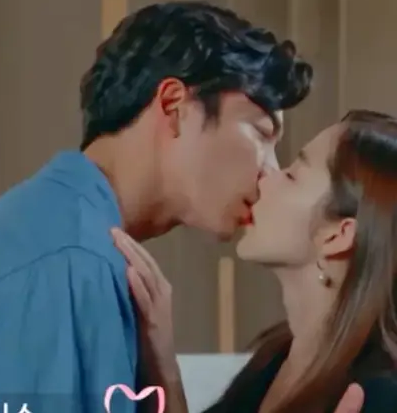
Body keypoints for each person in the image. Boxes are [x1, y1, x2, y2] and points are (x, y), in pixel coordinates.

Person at [0, 1, 359, 413]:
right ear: (174, 106)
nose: (270, 172)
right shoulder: (69, 262)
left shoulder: (65, 237)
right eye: (261, 133)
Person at [113, 109, 397, 412]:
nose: (264, 177)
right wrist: (162, 358)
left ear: (336, 236)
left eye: (292, 176)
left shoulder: (379, 395)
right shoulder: (272, 360)